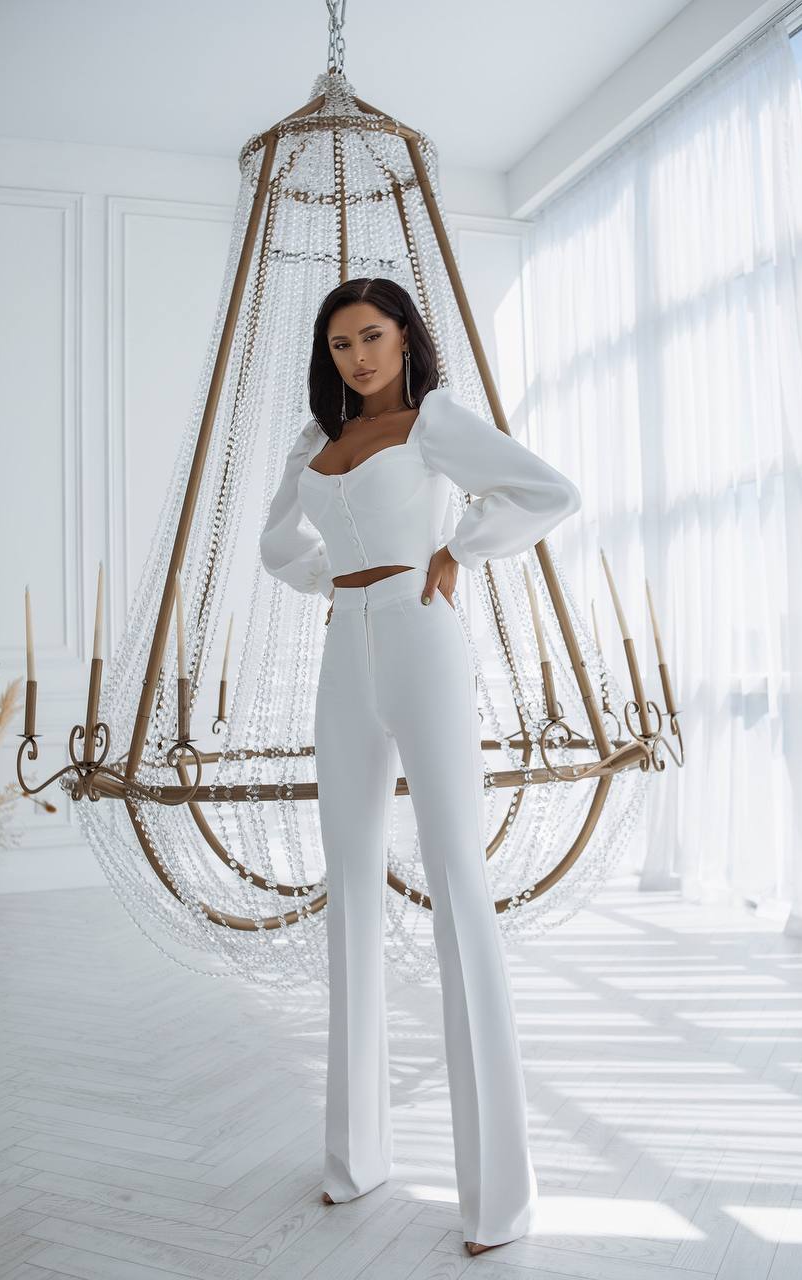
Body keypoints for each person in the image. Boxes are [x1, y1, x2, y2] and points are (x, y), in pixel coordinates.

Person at [259, 276, 581, 1255]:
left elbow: (548, 489)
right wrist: (329, 579)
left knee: (456, 881)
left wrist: (460, 549)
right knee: (349, 882)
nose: (357, 355)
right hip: (342, 639)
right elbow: (280, 541)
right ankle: (355, 1157)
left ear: (405, 338)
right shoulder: (313, 444)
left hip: (422, 632)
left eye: (371, 336)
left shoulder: (434, 419)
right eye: (341, 342)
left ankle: (498, 1197)